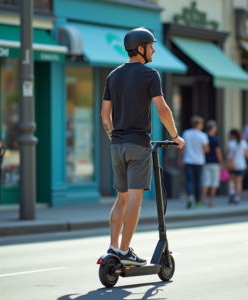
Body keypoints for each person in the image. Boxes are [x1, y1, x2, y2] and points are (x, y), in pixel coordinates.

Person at [100, 27, 185, 266]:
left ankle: (113, 246)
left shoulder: (113, 75)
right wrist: (175, 136)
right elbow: (162, 109)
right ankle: (125, 251)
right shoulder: (150, 75)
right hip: (138, 145)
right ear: (140, 48)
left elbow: (105, 115)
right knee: (135, 199)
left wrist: (115, 138)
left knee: (121, 199)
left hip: (117, 145)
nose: (154, 49)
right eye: (151, 46)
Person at [178, 116, 209, 209]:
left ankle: (190, 196)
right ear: (199, 125)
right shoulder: (203, 135)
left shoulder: (186, 133)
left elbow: (182, 147)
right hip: (199, 161)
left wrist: (180, 158)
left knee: (189, 180)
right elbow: (206, 149)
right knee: (198, 181)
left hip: (188, 160)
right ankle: (199, 201)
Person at [200, 120, 224, 207]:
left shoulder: (203, 137)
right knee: (214, 183)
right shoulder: (215, 139)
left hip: (205, 162)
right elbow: (218, 151)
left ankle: (202, 200)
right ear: (213, 128)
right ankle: (211, 201)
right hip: (215, 163)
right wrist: (222, 162)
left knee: (205, 182)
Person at [227, 129, 248, 204]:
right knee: (239, 182)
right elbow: (247, 154)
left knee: (231, 180)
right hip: (241, 165)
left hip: (232, 165)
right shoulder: (244, 142)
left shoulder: (231, 143)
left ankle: (232, 191)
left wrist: (225, 162)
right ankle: (237, 198)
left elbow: (228, 154)